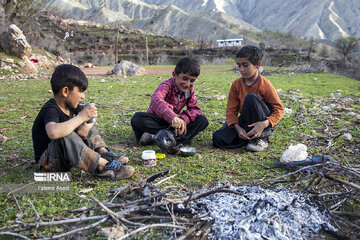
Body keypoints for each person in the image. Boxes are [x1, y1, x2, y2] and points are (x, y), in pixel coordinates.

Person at [32, 64, 134, 180]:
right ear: (65, 91)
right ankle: (102, 167)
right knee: (66, 133)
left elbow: (90, 113)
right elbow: (53, 132)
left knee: (82, 123)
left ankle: (103, 153)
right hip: (48, 165)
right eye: (80, 91)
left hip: (65, 158)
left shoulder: (69, 105)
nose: (83, 96)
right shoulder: (50, 109)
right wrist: (80, 118)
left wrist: (86, 125)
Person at [212, 45, 284, 151]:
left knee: (251, 98)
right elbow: (231, 110)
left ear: (257, 65)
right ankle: (248, 137)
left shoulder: (265, 84)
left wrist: (264, 124)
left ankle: (262, 137)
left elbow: (279, 110)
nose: (241, 69)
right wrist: (238, 128)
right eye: (239, 65)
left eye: (245, 65)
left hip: (262, 121)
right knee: (218, 138)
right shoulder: (236, 84)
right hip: (246, 121)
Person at [131, 56, 208, 152]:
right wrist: (172, 117)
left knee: (202, 120)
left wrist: (183, 119)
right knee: (137, 118)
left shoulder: (189, 90)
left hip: (174, 125)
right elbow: (156, 99)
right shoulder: (166, 85)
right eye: (185, 78)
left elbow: (195, 109)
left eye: (192, 80)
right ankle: (175, 138)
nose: (187, 84)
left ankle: (160, 138)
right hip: (159, 121)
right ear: (174, 74)